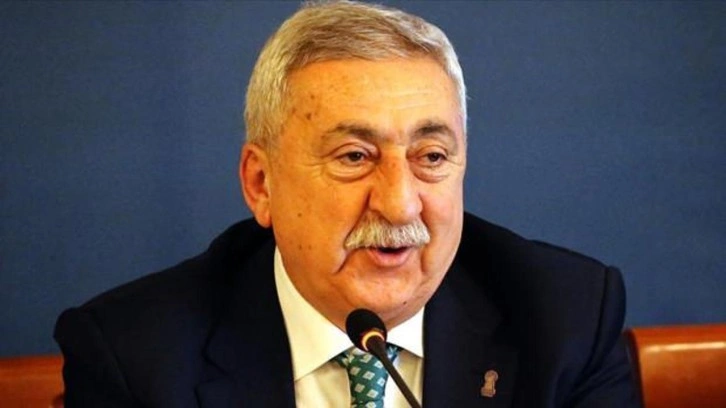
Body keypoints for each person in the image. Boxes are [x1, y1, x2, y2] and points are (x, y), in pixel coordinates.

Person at [54, 1, 639, 407]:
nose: (400, 206)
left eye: (431, 156)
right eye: (355, 156)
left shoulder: (567, 320)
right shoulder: (136, 357)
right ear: (261, 184)